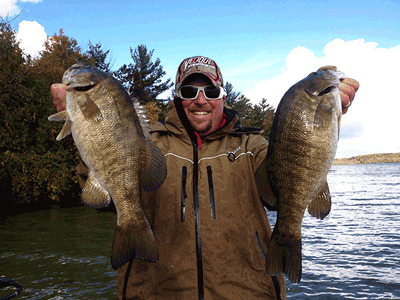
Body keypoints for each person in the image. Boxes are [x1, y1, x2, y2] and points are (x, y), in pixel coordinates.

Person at [51, 56, 359, 300]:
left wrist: (322, 113)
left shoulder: (252, 147)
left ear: (222, 96)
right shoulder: (149, 145)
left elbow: (282, 187)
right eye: (189, 91)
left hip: (249, 293)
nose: (200, 100)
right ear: (177, 97)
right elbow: (104, 199)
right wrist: (85, 129)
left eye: (210, 91)